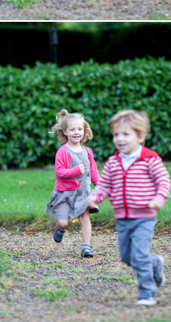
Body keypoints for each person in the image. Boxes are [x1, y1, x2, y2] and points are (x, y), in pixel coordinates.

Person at [87, 110, 171, 306]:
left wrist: (159, 199)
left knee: (139, 255)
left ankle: (147, 293)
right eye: (116, 134)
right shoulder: (114, 162)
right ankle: (154, 263)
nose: (119, 139)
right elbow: (105, 185)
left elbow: (163, 181)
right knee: (126, 257)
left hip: (144, 217)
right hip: (123, 218)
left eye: (126, 134)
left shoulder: (149, 159)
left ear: (140, 136)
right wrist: (95, 197)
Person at [45, 109, 101, 258]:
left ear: (84, 130)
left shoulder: (88, 152)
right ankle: (60, 229)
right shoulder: (62, 152)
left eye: (79, 129)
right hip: (65, 192)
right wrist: (75, 171)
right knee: (63, 223)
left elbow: (93, 173)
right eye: (72, 129)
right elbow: (59, 173)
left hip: (82, 193)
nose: (76, 132)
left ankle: (86, 248)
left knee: (85, 217)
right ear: (65, 131)